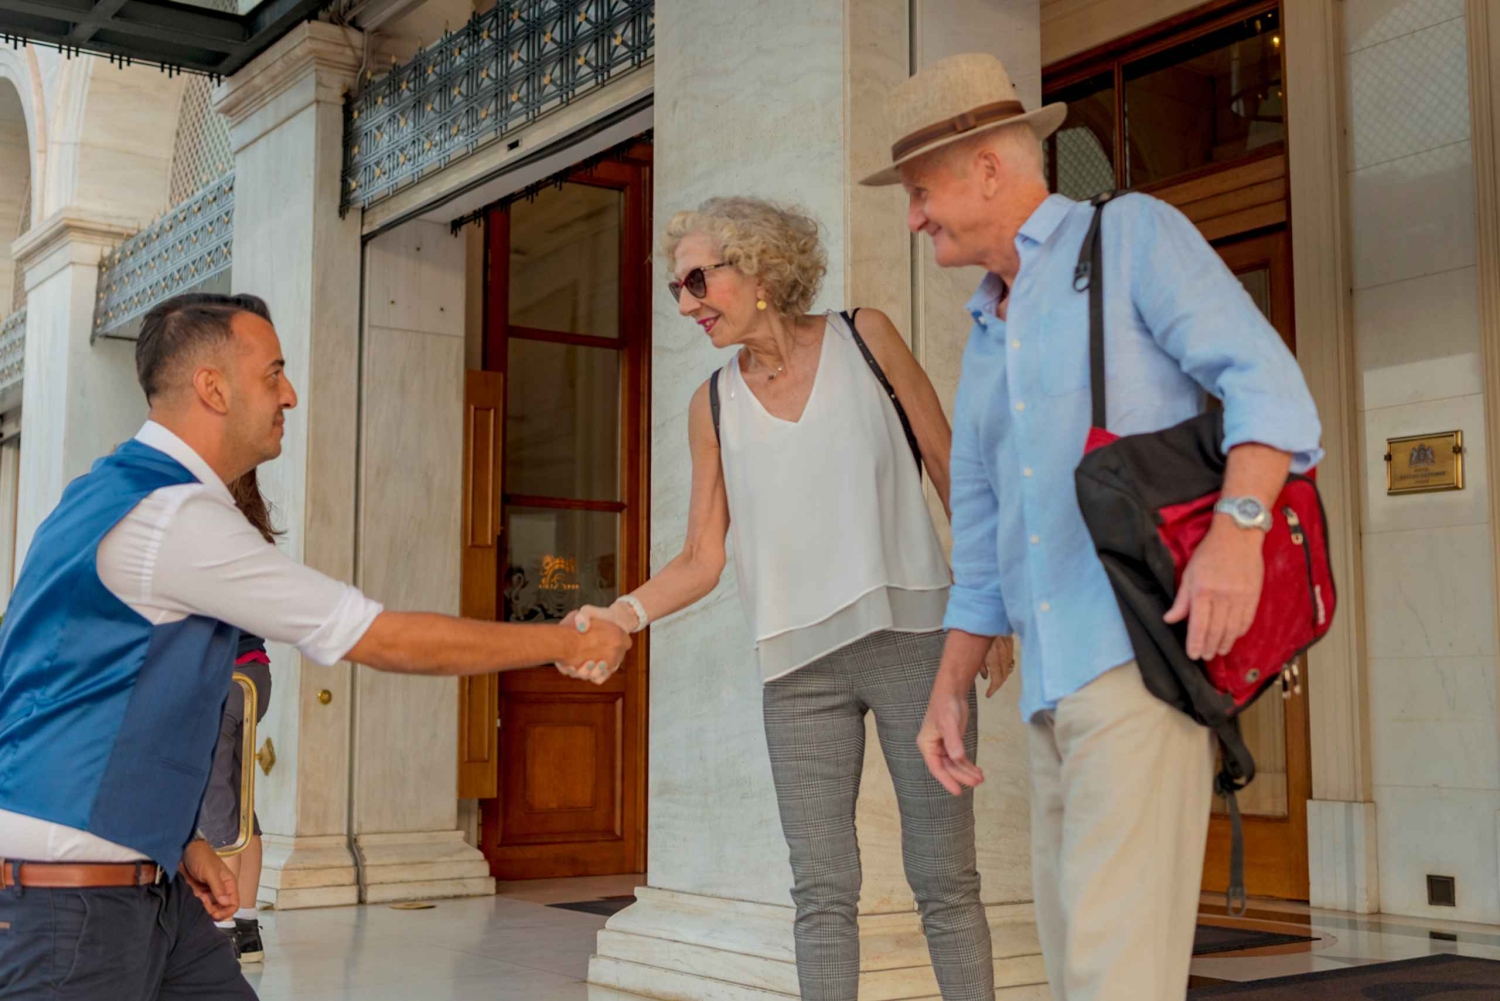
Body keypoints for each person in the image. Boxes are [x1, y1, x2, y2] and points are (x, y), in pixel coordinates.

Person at [0, 293, 629, 1000]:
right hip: (71, 905)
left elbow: (85, 685)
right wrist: (562, 638)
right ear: (213, 387)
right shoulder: (174, 515)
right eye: (273, 373)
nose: (290, 394)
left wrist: (177, 838)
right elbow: (377, 636)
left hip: (140, 882)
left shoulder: (108, 489)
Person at [859, 54, 1323, 1001]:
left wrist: (1238, 530)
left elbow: (1267, 384)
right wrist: (949, 689)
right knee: (1078, 960)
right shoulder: (986, 333)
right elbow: (982, 535)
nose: (913, 217)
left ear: (988, 168)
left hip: (1136, 657)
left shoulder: (1133, 236)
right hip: (1050, 682)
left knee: (1115, 970)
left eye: (920, 191)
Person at [565, 196, 1012, 1001]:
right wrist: (622, 613)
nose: (686, 305)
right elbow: (701, 557)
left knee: (945, 878)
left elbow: (951, 468)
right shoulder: (712, 405)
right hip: (798, 674)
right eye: (676, 289)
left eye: (697, 281)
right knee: (821, 891)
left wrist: (989, 605)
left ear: (760, 267)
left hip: (917, 646)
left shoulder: (866, 338)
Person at [197, 469, 279, 965]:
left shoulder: (210, 527)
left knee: (218, 805)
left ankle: (221, 931)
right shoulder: (254, 532)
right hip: (255, 675)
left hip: (221, 678)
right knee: (241, 802)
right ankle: (247, 927)